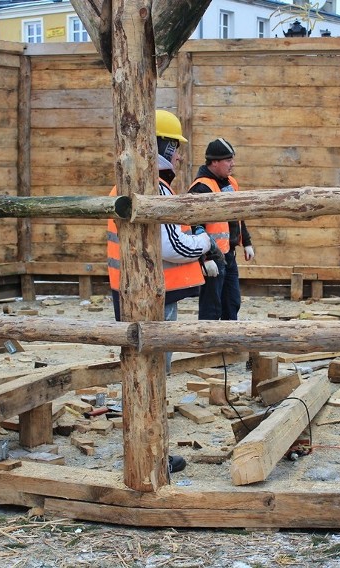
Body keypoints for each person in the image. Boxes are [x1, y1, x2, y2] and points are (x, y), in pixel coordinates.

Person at [107, 110, 211, 473]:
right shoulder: (151, 185)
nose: (180, 156)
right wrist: (204, 241)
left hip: (133, 292)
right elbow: (171, 247)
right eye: (176, 147)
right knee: (151, 375)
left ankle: (144, 450)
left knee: (141, 373)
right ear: (161, 145)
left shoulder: (132, 181)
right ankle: (150, 456)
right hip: (149, 297)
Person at [188, 138, 255, 321]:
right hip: (213, 258)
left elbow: (237, 216)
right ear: (214, 162)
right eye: (228, 160)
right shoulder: (201, 188)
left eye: (232, 159)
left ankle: (229, 343)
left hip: (229, 255)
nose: (232, 164)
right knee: (212, 305)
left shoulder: (230, 183)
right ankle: (208, 343)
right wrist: (205, 258)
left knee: (232, 302)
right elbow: (194, 226)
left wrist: (246, 242)